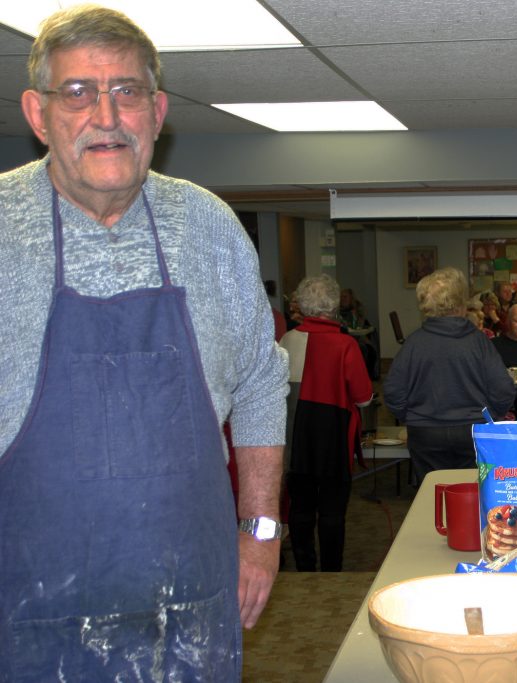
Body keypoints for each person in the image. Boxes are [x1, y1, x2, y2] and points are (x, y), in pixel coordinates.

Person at [0, 6, 288, 679]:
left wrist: (262, 530)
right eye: (77, 92)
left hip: (191, 608)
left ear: (156, 112)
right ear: (39, 116)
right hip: (27, 613)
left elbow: (259, 381)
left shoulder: (211, 228)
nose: (106, 115)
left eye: (126, 91)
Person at [384, 267, 515, 482]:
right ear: (461, 303)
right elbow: (503, 390)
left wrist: (411, 416)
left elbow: (393, 391)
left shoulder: (414, 344)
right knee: (471, 494)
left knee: (432, 495)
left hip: (425, 432)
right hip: (472, 431)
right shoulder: (479, 341)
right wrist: (490, 415)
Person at [279, 276, 373, 572]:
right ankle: (332, 569)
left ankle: (304, 566)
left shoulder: (285, 341)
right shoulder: (346, 344)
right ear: (333, 306)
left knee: (300, 505)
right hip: (332, 436)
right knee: (332, 508)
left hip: (294, 437)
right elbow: (364, 398)